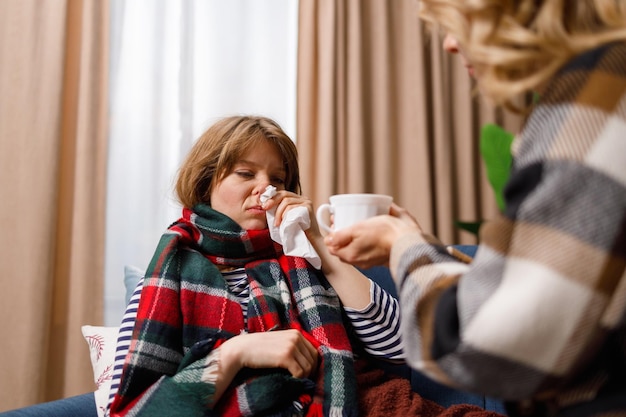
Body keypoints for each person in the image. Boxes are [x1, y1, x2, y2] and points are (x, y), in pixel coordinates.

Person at [324, 1, 626, 416]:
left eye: (458, 21)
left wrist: (405, 246)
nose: (449, 44)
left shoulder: (597, 96)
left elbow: (490, 347)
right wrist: (412, 244)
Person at [108, 115, 407, 416]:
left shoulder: (303, 257)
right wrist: (234, 353)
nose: (266, 188)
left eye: (277, 179)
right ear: (206, 182)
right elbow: (132, 409)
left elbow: (401, 345)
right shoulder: (169, 273)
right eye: (245, 173)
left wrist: (315, 239)